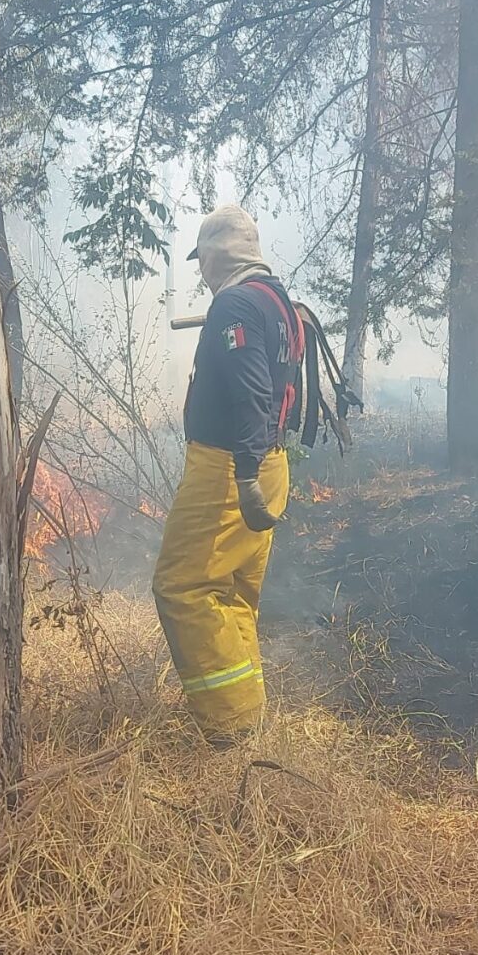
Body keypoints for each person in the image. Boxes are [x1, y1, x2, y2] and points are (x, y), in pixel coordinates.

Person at [152, 204, 304, 744]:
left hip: (229, 468)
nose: (201, 271)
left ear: (217, 254)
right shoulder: (277, 300)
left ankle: (228, 731)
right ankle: (246, 714)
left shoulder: (235, 304)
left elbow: (253, 394)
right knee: (234, 594)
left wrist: (242, 477)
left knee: (181, 587)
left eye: (203, 260)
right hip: (270, 462)